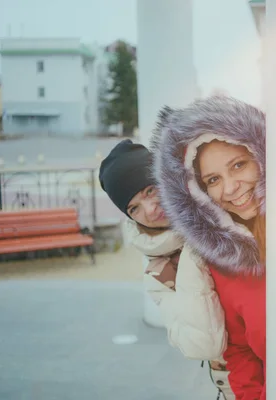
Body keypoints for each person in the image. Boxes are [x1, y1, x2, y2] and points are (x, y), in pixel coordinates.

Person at [98, 139, 235, 399]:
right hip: (234, 384)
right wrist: (194, 254)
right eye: (133, 208)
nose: (150, 210)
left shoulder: (227, 209)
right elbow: (203, 346)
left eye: (150, 190)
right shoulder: (160, 274)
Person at [151, 95, 266, 400]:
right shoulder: (224, 262)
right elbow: (240, 349)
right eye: (213, 179)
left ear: (262, 156)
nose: (230, 189)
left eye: (238, 165)